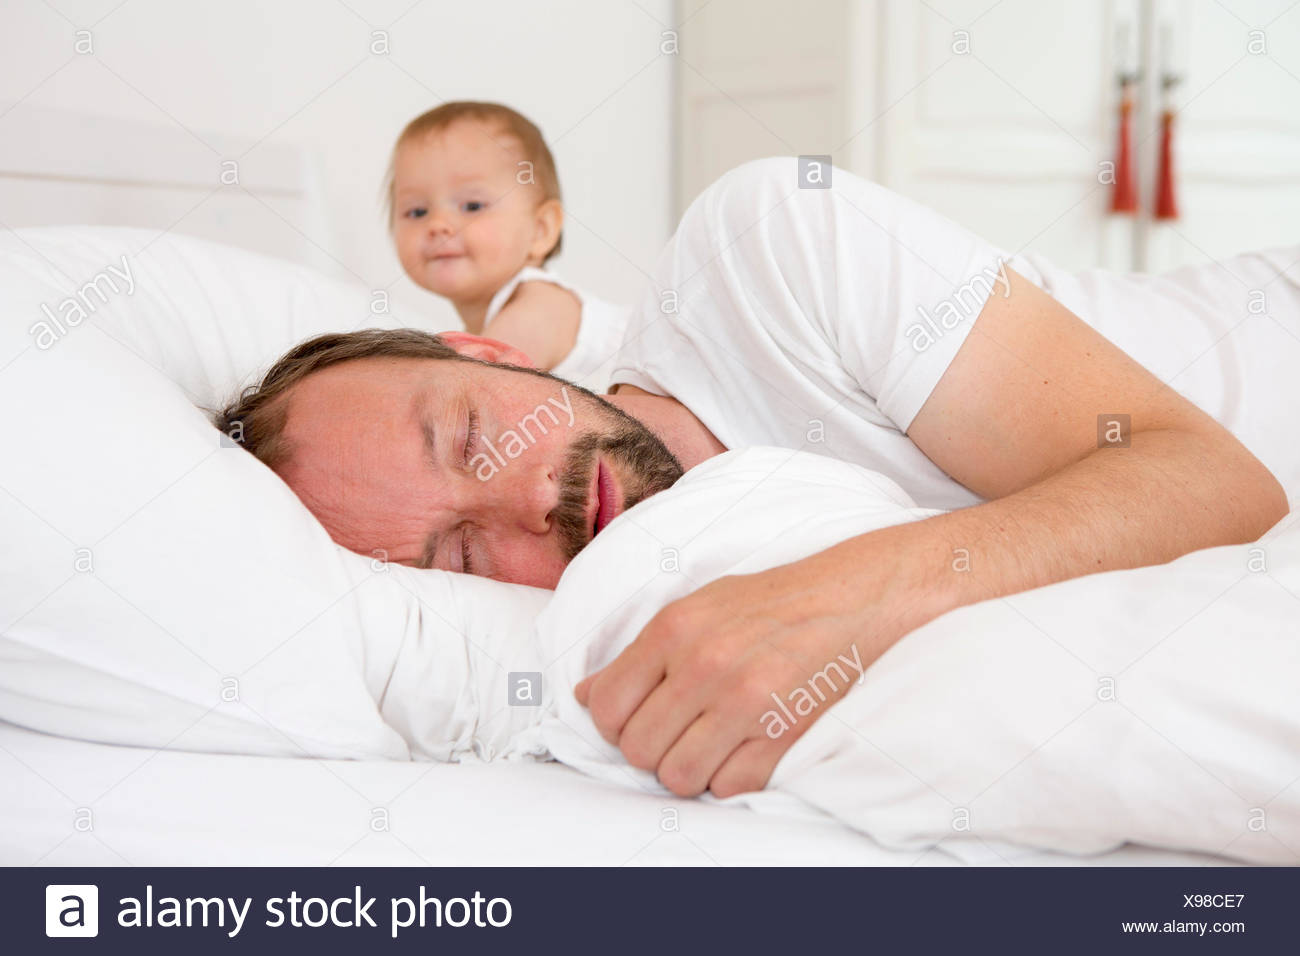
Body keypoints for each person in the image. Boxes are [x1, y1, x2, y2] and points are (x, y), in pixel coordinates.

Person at [218, 157, 1290, 800]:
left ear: (494, 355)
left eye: (466, 435)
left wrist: (862, 594)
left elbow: (1216, 483)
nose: (521, 502)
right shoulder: (612, 616)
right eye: (458, 552)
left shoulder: (765, 250)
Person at [387, 100, 625, 391]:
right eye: (417, 212)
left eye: (472, 206)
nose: (438, 224)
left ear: (541, 230)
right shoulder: (490, 329)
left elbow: (471, 396)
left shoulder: (537, 306)